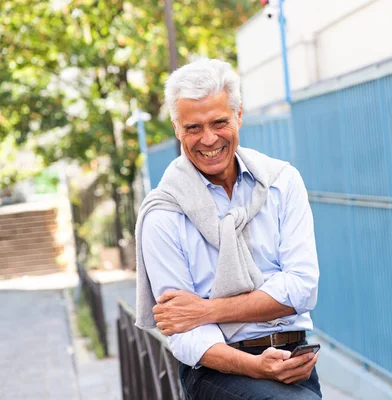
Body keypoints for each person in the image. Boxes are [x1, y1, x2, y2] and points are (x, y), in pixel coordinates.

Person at [134, 58, 321, 400]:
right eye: (193, 128)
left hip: (295, 362)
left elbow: (301, 289)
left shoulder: (281, 182)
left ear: (238, 116)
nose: (208, 139)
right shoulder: (163, 214)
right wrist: (255, 367)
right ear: (177, 128)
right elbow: (183, 331)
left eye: (219, 122)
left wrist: (207, 310)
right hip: (217, 371)